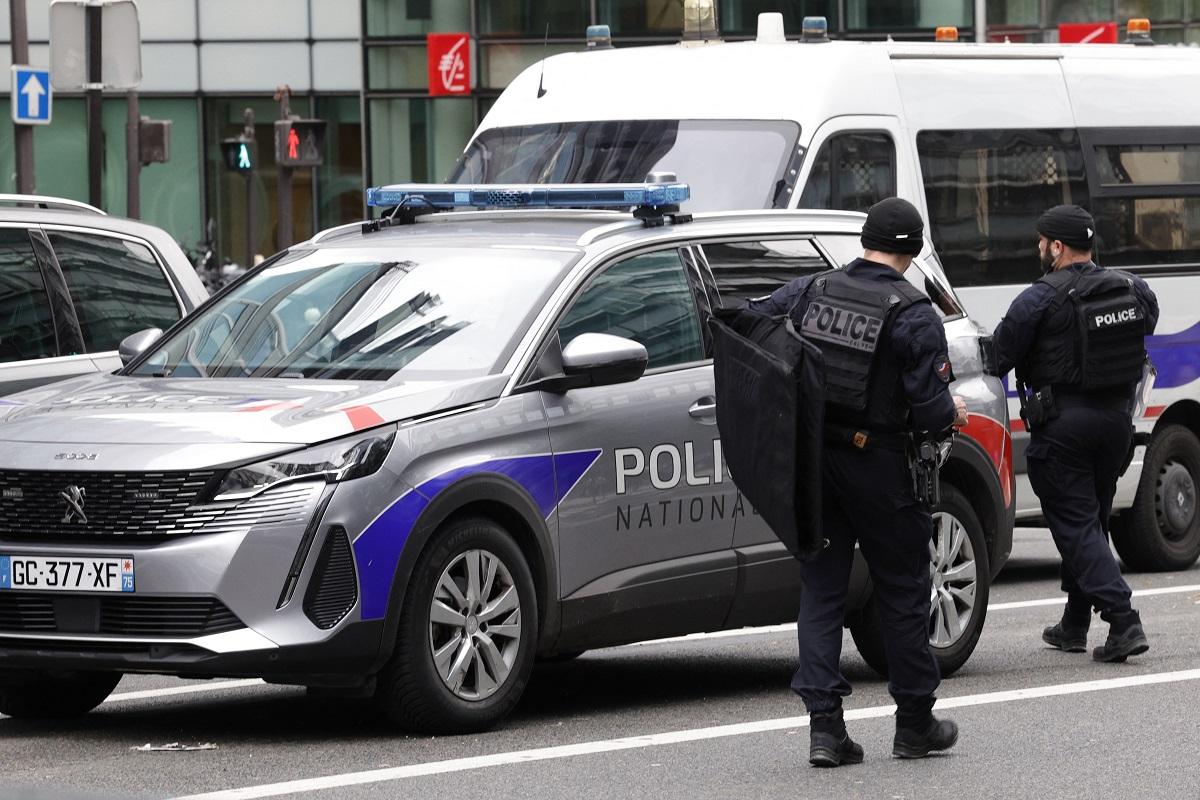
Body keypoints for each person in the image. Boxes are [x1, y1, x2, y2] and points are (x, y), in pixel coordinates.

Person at [749, 197, 968, 767]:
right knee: (900, 591)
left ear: (864, 240)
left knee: (821, 592)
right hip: (882, 470)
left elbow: (752, 326)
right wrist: (954, 409)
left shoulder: (812, 291)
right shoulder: (914, 312)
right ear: (914, 251)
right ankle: (914, 726)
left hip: (817, 464)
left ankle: (826, 732)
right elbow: (931, 412)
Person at [992, 204, 1158, 663]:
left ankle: (1124, 621)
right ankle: (1074, 623)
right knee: (1092, 521)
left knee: (1077, 527)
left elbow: (999, 356)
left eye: (1042, 241)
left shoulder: (1039, 298)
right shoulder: (1130, 286)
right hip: (1116, 426)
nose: (1038, 248)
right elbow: (1150, 320)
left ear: (1058, 247)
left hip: (1064, 428)